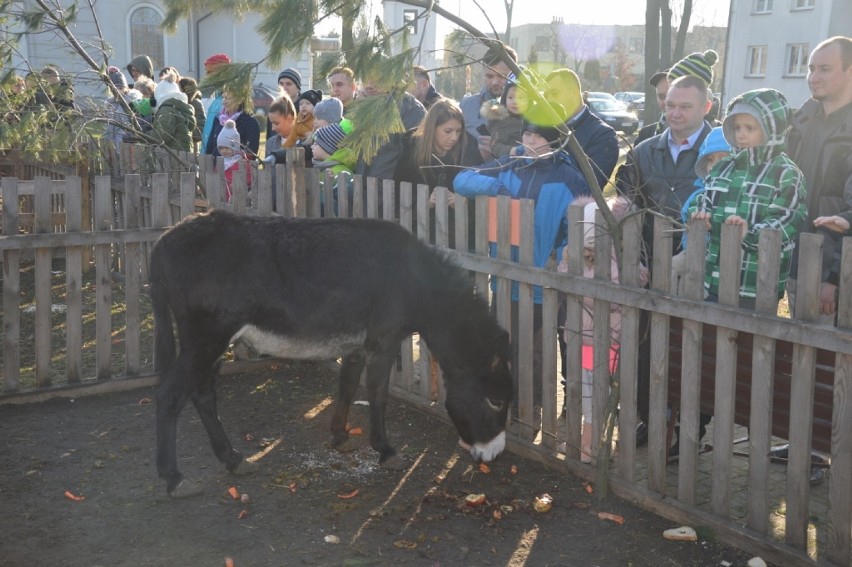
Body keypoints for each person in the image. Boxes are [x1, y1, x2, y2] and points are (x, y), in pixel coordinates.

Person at [454, 101, 590, 428]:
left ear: (554, 141)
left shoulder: (569, 178)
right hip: (504, 279)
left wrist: (563, 251)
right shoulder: (510, 165)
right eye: (526, 135)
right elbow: (462, 180)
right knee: (506, 349)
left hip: (545, 282)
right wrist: (497, 186)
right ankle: (509, 407)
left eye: (536, 138)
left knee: (539, 354)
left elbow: (582, 224)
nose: (528, 143)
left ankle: (535, 412)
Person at [615, 73, 713, 450]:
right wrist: (635, 259)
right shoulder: (644, 150)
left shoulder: (719, 151)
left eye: (684, 106)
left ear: (705, 107)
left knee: (691, 349)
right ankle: (650, 418)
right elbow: (629, 207)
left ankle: (690, 431)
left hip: (697, 269)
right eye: (669, 104)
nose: (674, 112)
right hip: (651, 266)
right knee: (646, 347)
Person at [689, 88, 807, 308]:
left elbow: (787, 219)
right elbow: (707, 195)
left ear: (772, 130)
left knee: (750, 340)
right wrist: (702, 211)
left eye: (750, 128)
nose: (741, 134)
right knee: (712, 335)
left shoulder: (786, 173)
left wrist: (750, 234)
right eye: (737, 127)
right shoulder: (724, 166)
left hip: (756, 283)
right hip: (715, 273)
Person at [557, 197, 649, 462]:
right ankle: (594, 445)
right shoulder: (616, 259)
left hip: (601, 342)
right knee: (597, 392)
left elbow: (569, 284)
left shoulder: (597, 261)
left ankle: (592, 448)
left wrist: (571, 261)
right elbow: (641, 277)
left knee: (595, 393)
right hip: (602, 342)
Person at [785, 36, 852, 322]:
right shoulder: (800, 122)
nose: (813, 77)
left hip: (836, 273)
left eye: (824, 69)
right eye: (810, 68)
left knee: (832, 363)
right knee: (795, 355)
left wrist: (835, 278)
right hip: (795, 263)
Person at [394, 98, 483, 246]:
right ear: (432, 128)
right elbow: (399, 195)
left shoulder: (469, 148)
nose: (454, 137)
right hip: (419, 236)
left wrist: (462, 203)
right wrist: (425, 203)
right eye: (448, 131)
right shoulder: (411, 148)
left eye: (458, 131)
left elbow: (482, 193)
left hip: (461, 238)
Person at [545, 68, 619, 190]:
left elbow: (590, 186)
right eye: (546, 96)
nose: (548, 100)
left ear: (574, 94)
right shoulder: (545, 128)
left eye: (554, 93)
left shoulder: (603, 134)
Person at [353, 71, 426, 182]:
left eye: (376, 78)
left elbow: (414, 155)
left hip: (392, 189)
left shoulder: (409, 107)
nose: (369, 85)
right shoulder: (367, 105)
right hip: (365, 187)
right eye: (365, 78)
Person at [460, 45, 518, 141]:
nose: (495, 82)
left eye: (501, 76)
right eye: (489, 76)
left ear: (514, 74)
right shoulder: (467, 106)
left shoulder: (527, 110)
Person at [311, 122, 356, 215]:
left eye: (316, 144)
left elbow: (348, 195)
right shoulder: (323, 167)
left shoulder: (341, 171)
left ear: (327, 147)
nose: (312, 147)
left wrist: (334, 185)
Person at [205, 87, 260, 160]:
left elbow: (251, 154)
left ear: (240, 100)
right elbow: (210, 147)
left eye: (228, 98)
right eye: (223, 98)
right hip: (216, 168)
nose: (224, 102)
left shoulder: (250, 123)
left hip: (238, 169)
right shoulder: (218, 119)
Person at [480, 76, 528, 159]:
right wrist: (513, 150)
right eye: (510, 97)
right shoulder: (502, 122)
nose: (515, 102)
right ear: (504, 98)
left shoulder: (533, 121)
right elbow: (495, 146)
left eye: (521, 98)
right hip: (507, 164)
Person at [151, 73, 196, 152]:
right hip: (184, 153)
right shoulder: (180, 107)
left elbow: (163, 135)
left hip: (172, 156)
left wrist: (142, 134)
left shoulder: (166, 109)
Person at [103, 66, 141, 149]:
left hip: (128, 145)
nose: (117, 91)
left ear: (125, 87)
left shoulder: (133, 101)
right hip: (113, 146)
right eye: (115, 88)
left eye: (120, 88)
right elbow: (108, 127)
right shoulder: (110, 104)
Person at [199, 53, 231, 153]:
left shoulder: (227, 100)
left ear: (220, 74)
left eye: (209, 72)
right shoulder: (216, 99)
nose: (206, 76)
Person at [216, 119, 252, 203]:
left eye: (227, 148)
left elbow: (250, 179)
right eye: (221, 148)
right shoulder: (220, 162)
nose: (224, 151)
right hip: (221, 198)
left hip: (237, 200)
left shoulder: (242, 162)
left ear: (235, 147)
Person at [634, 69, 669, 145]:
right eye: (661, 97)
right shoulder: (645, 135)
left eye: (671, 95)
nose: (665, 102)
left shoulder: (698, 137)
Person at [178, 77, 206, 149]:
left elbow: (201, 125)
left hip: (192, 144)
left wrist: (188, 135)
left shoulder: (195, 103)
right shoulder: (181, 103)